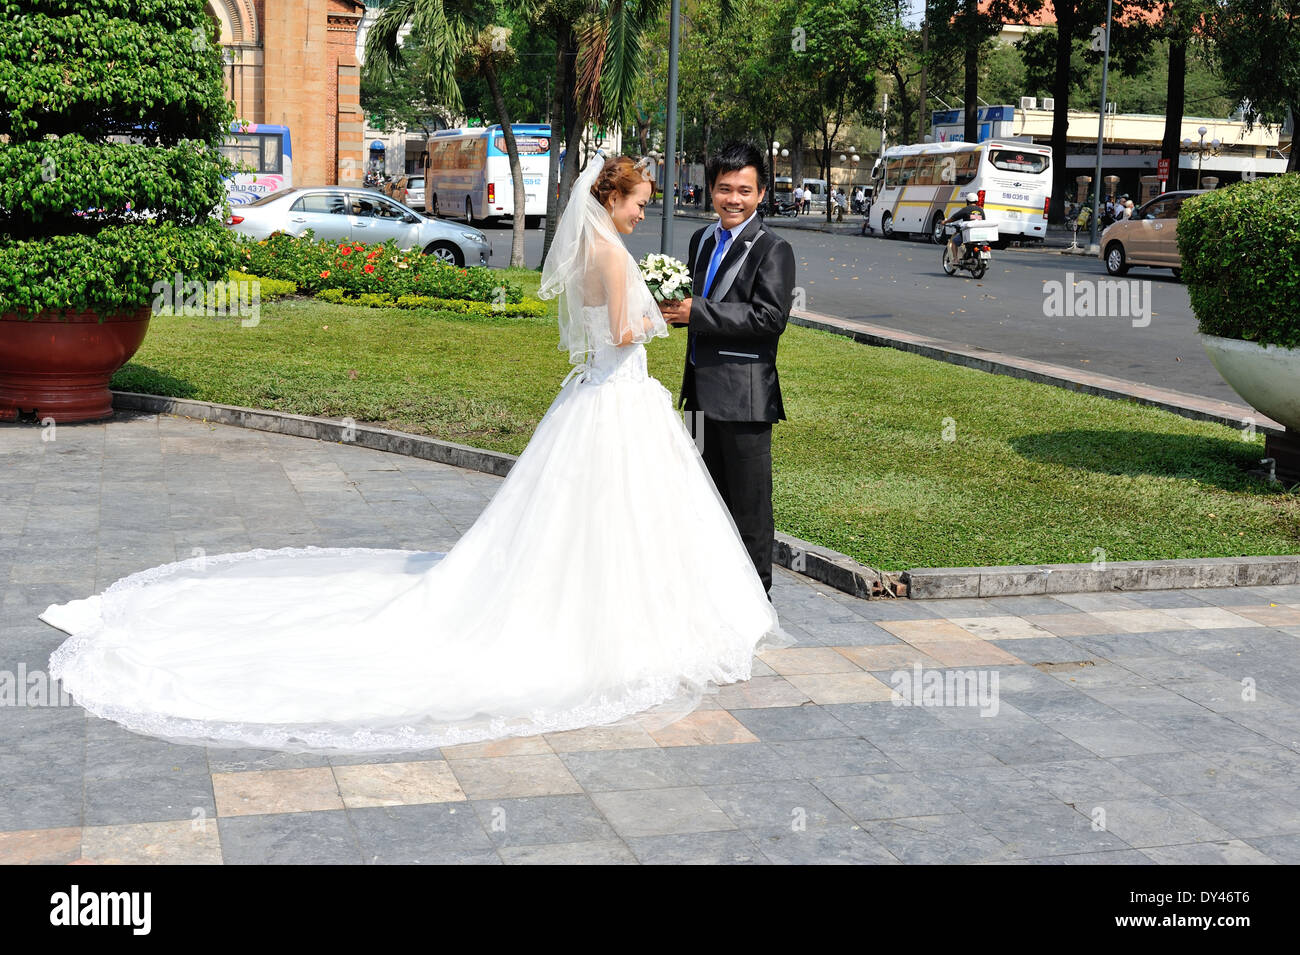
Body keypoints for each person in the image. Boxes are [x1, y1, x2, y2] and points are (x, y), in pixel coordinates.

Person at [38, 152, 790, 754]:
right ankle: (635, 622)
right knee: (617, 516)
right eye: (638, 200)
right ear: (613, 199)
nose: (643, 210)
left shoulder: (600, 249)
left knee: (593, 518)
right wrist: (662, 314)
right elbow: (624, 334)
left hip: (601, 398)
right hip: (619, 397)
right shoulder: (612, 255)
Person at [656, 142, 797, 596]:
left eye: (743, 190)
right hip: (696, 394)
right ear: (711, 191)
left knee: (748, 505)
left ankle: (757, 598)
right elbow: (699, 305)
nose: (732, 199)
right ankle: (707, 591)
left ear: (760, 195)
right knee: (700, 495)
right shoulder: (701, 240)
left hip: (744, 401)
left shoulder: (774, 249)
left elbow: (769, 319)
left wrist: (696, 312)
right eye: (723, 189)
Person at [944, 191, 985, 263]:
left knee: (954, 242)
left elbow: (954, 218)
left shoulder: (966, 209)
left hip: (968, 233)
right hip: (980, 234)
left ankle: (955, 259)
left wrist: (945, 222)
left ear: (967, 201)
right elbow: (983, 221)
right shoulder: (981, 210)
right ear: (976, 201)